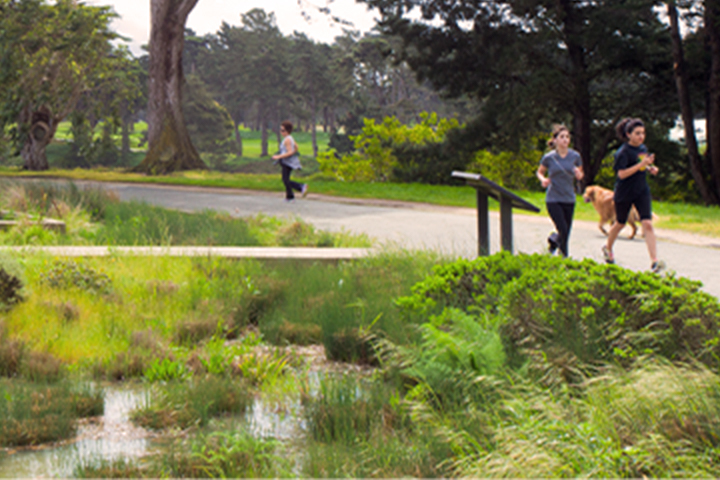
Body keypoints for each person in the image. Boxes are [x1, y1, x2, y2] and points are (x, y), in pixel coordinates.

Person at [602, 117, 665, 273]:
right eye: (637, 133)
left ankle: (654, 261)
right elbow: (622, 174)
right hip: (625, 192)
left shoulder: (642, 148)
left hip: (641, 191)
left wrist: (651, 168)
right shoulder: (622, 153)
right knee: (620, 223)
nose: (641, 136)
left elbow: (644, 163)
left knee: (647, 224)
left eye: (643, 133)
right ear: (628, 134)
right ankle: (608, 248)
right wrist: (641, 165)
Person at [536, 124, 584, 257]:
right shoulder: (549, 157)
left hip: (569, 198)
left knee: (566, 232)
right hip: (553, 198)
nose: (565, 140)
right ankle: (564, 256)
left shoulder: (575, 156)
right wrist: (543, 180)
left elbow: (580, 173)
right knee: (562, 228)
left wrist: (579, 175)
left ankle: (555, 244)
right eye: (562, 137)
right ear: (555, 140)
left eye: (567, 137)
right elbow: (540, 172)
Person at [272, 121, 308, 202]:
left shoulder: (287, 139)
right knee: (285, 179)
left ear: (287, 131)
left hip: (288, 163)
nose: (281, 132)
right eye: (280, 130)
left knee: (285, 180)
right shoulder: (290, 138)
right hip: (287, 162)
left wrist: (278, 156)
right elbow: (296, 147)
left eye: (283, 130)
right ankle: (289, 196)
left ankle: (300, 187)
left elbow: (289, 152)